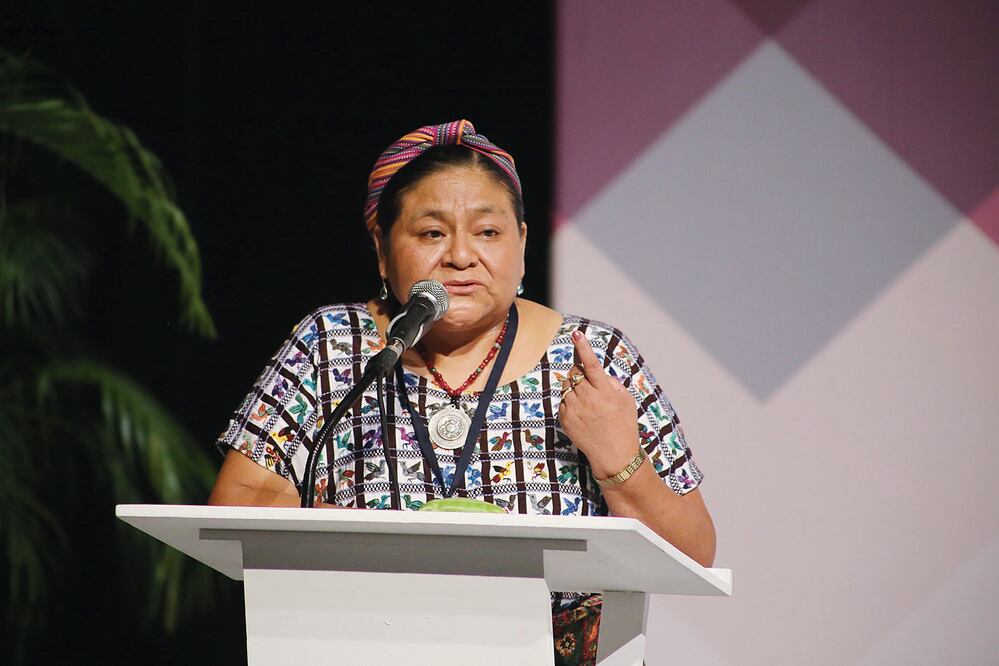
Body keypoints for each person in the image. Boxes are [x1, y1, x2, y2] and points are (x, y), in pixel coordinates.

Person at [208, 119, 715, 664]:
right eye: (431, 233)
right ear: (382, 248)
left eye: (488, 232)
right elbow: (240, 517)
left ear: (522, 243)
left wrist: (621, 462)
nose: (460, 256)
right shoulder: (333, 347)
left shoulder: (595, 358)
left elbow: (693, 553)